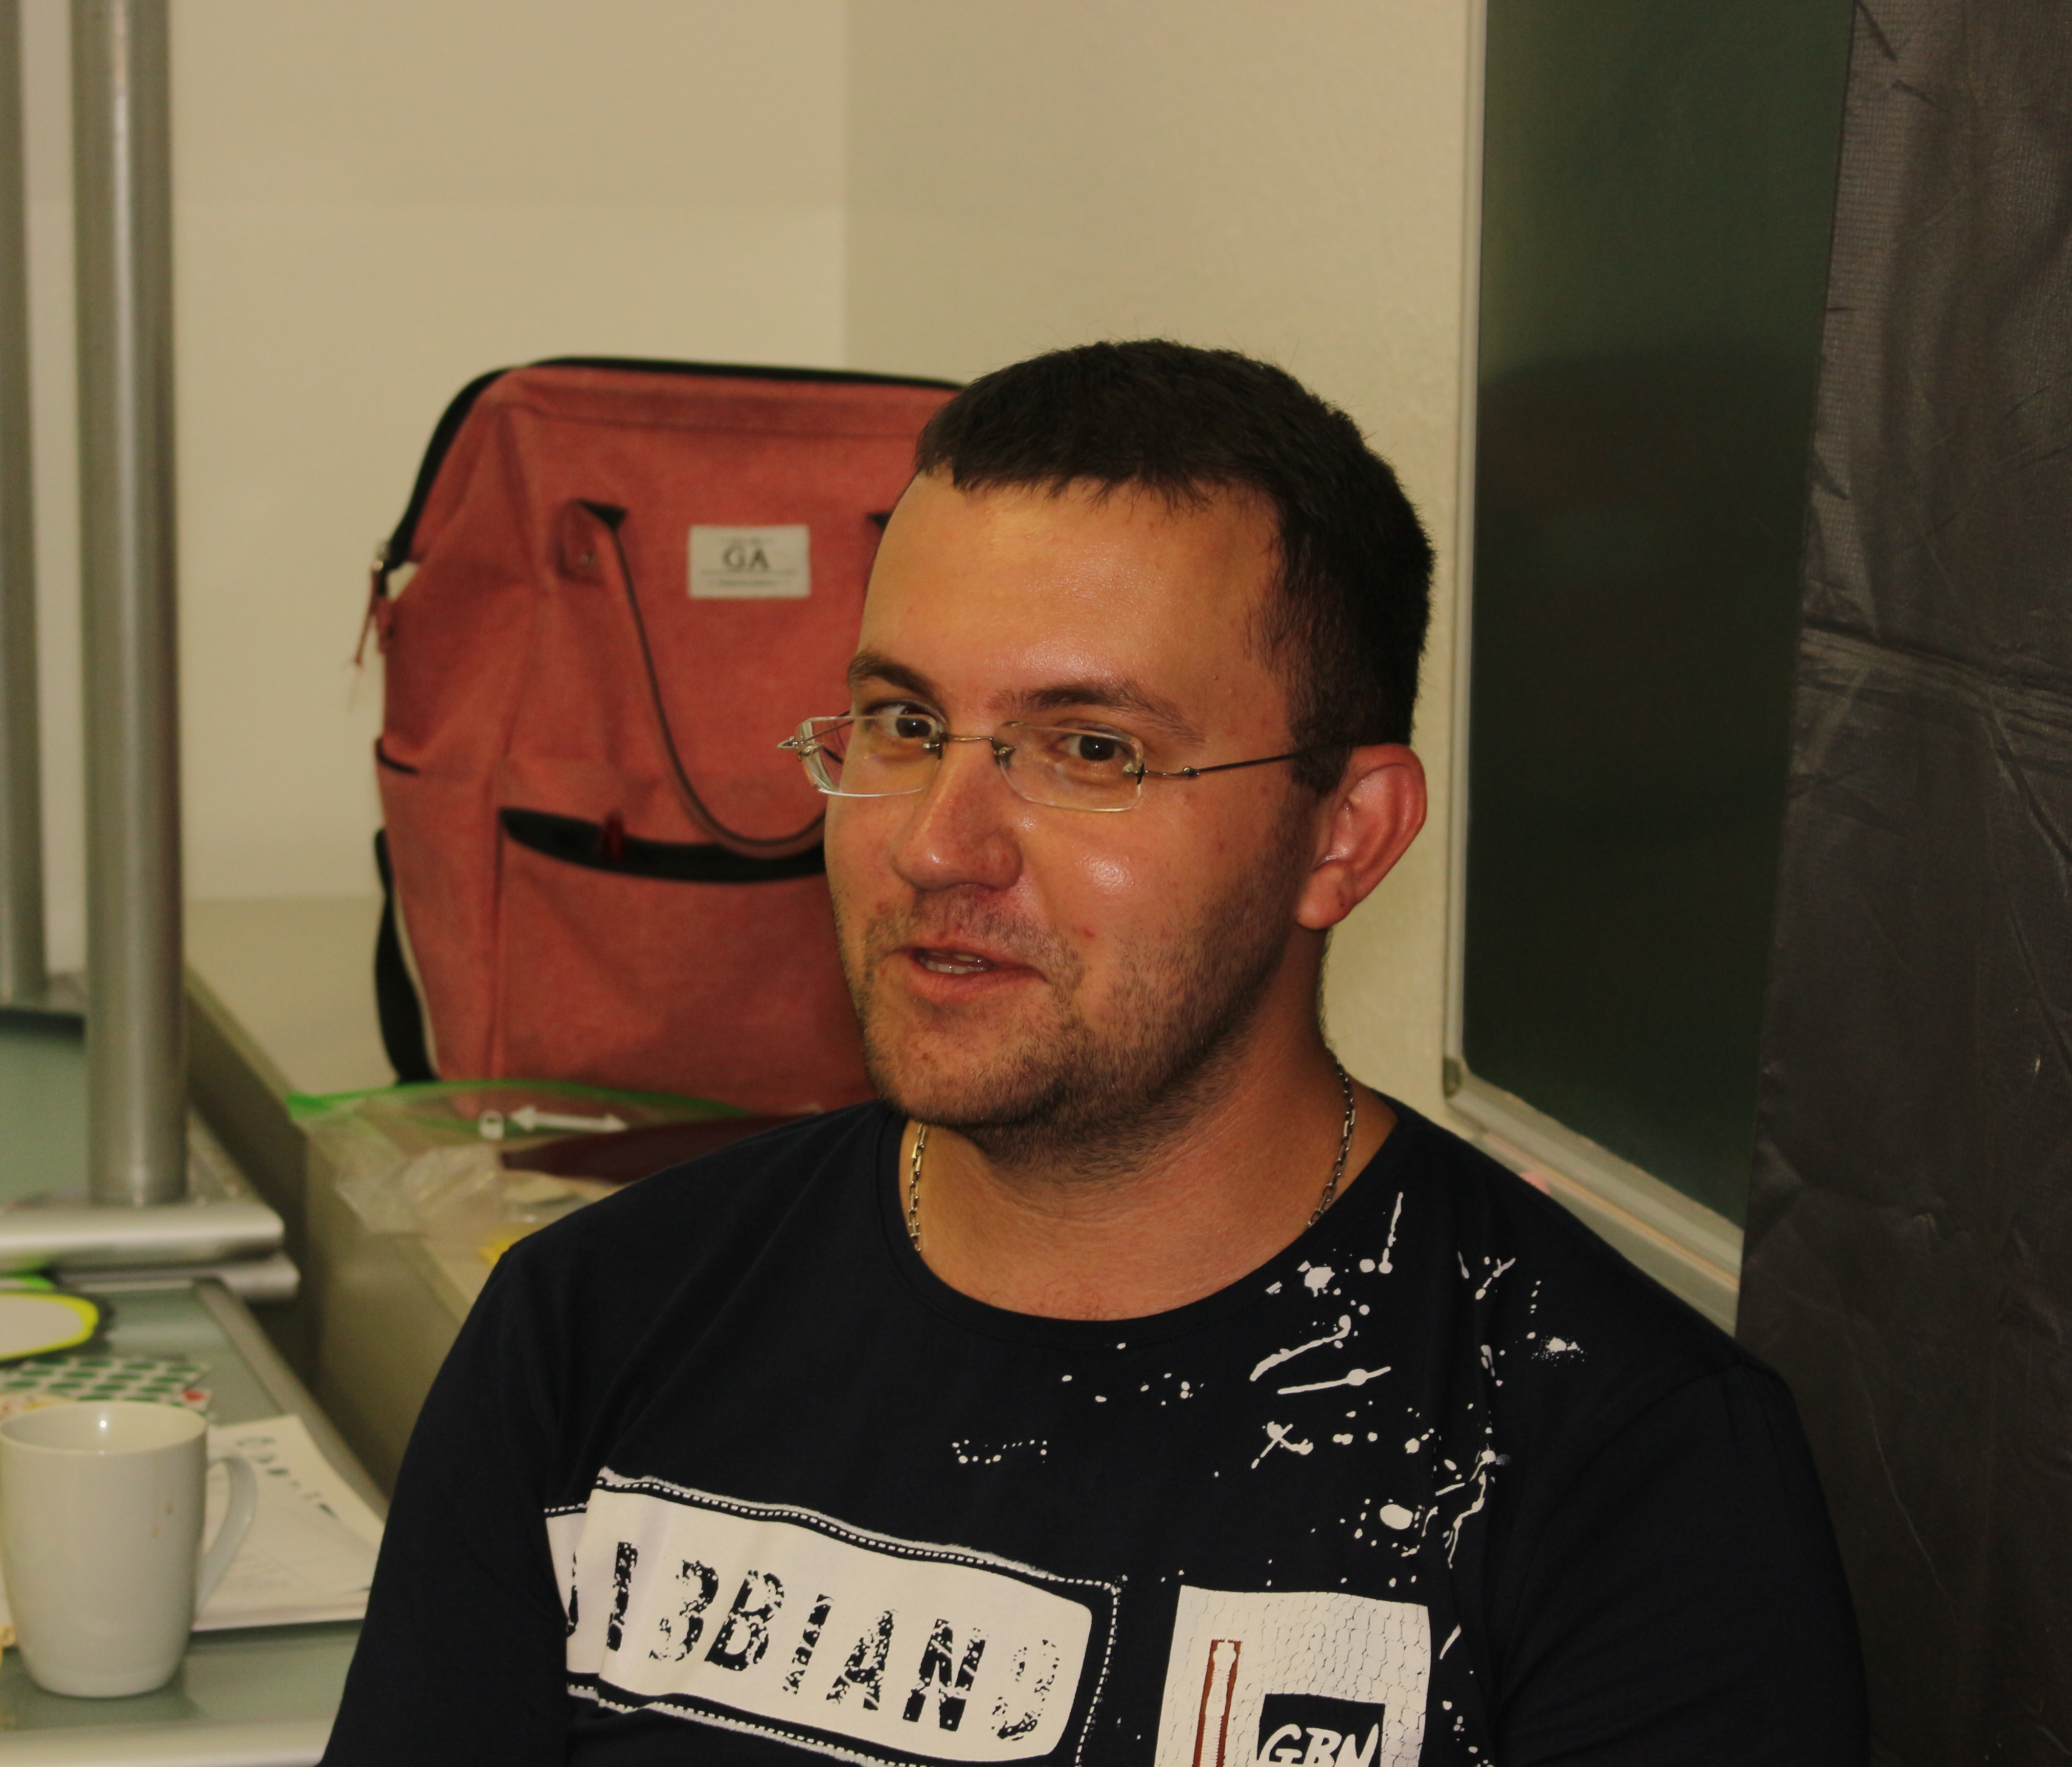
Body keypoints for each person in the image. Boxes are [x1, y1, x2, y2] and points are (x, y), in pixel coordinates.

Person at [322, 341, 1865, 1765]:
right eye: (901, 723)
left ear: (1344, 833)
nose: (939, 845)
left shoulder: (1613, 1462)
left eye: (1091, 750)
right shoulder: (597, 1332)